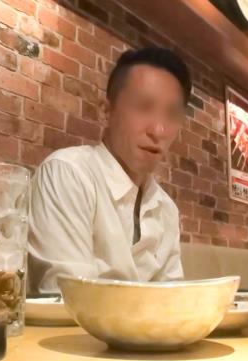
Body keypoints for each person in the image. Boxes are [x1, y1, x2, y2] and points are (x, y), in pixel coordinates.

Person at [28, 47, 189, 293]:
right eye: (143, 107)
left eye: (172, 115)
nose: (158, 130)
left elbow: (174, 299)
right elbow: (70, 297)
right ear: (106, 111)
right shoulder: (69, 174)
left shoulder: (166, 209)